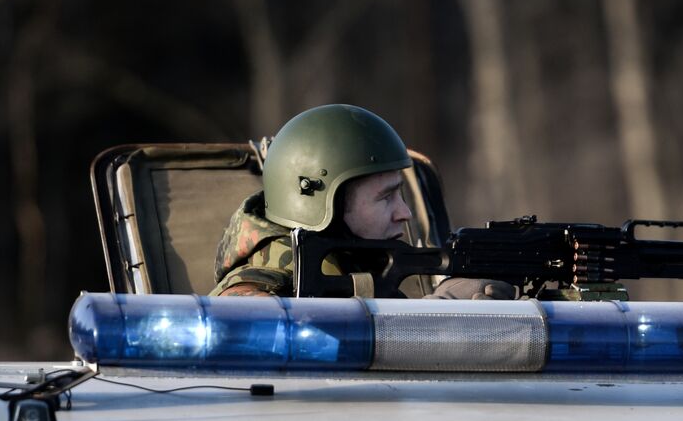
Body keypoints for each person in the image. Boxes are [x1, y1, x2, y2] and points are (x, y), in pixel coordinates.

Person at [210, 103, 515, 299]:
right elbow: (320, 351)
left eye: (400, 194)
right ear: (323, 206)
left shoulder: (358, 278)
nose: (404, 213)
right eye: (385, 197)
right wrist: (434, 316)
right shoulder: (250, 297)